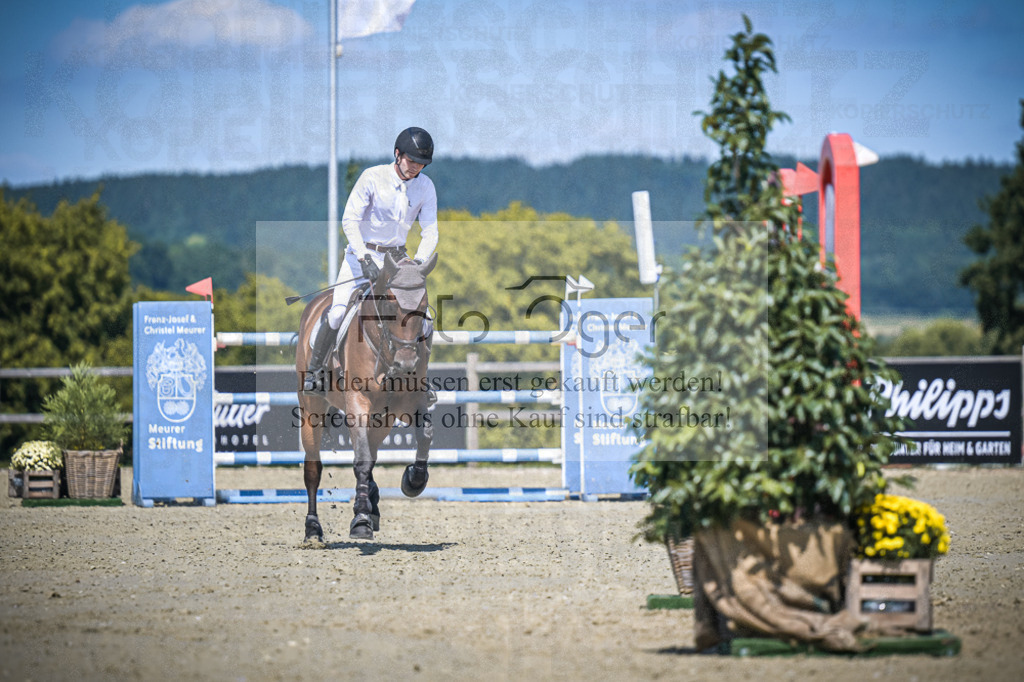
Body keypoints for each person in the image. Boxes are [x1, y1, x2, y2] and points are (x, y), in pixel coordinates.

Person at [302, 127, 438, 394]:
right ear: (397, 154)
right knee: (339, 311)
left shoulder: (426, 186)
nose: (416, 168)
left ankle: (420, 379)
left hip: (399, 261)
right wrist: (364, 257)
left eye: (421, 164)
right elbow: (349, 220)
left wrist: (418, 265)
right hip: (361, 255)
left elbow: (430, 230)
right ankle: (315, 371)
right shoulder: (372, 178)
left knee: (426, 317)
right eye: (412, 161)